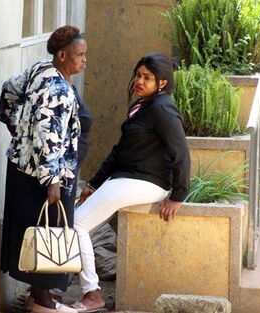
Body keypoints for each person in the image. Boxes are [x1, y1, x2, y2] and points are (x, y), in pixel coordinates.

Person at [71, 53, 191, 312]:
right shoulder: (142, 106)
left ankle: (92, 294)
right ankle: (73, 287)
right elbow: (120, 150)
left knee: (77, 223)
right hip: (127, 178)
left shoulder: (163, 109)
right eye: (138, 74)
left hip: (147, 182)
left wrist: (178, 196)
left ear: (161, 83)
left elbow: (181, 152)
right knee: (81, 224)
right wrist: (94, 183)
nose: (139, 80)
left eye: (147, 77)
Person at [0, 25, 91, 313]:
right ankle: (43, 300)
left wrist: (14, 124)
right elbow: (47, 136)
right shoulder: (58, 90)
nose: (84, 60)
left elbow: (8, 90)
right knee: (48, 232)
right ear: (62, 55)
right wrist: (52, 180)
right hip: (43, 177)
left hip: (22, 170)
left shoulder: (41, 69)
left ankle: (37, 294)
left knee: (33, 232)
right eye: (79, 55)